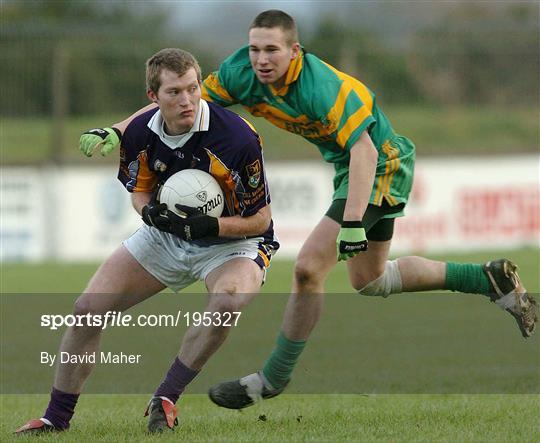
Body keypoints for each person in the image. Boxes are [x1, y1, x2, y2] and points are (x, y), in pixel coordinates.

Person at [77, 11, 537, 410]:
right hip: (348, 167)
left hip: (381, 166)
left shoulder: (326, 89)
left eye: (272, 50)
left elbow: (365, 154)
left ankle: (272, 380)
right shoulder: (242, 73)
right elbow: (173, 101)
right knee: (370, 281)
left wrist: (353, 221)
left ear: (295, 51)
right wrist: (117, 131)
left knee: (308, 269)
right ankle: (488, 279)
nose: (261, 59)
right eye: (255, 48)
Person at [15, 48, 279, 435]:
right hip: (167, 236)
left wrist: (212, 227)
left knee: (227, 302)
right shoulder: (138, 133)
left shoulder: (236, 136)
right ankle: (56, 418)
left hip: (233, 242)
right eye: (174, 92)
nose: (187, 100)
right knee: (87, 309)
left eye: (193, 89)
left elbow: (262, 218)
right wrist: (148, 212)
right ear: (153, 97)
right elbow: (140, 192)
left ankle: (166, 398)